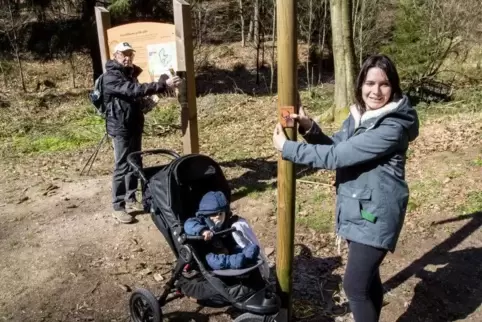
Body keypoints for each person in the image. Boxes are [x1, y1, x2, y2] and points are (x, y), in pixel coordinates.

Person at [272, 54, 419, 322]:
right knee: (367, 280)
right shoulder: (360, 116)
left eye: (384, 84)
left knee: (354, 287)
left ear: (394, 87)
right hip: (360, 209)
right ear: (361, 83)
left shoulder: (391, 127)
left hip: (377, 214)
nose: (376, 91)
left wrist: (288, 149)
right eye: (370, 83)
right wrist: (309, 128)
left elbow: (338, 157)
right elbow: (337, 146)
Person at [103, 42, 182, 224]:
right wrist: (162, 85)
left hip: (134, 124)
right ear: (115, 55)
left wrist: (146, 103)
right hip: (120, 128)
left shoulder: (130, 74)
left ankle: (131, 199)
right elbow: (132, 91)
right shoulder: (111, 77)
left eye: (130, 53)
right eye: (123, 54)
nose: (127, 57)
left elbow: (135, 96)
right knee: (122, 165)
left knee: (135, 162)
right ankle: (118, 206)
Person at [184, 191, 261, 270]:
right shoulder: (201, 220)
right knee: (214, 261)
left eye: (221, 214)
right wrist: (202, 231)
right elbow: (188, 225)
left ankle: (247, 256)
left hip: (227, 247)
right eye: (214, 214)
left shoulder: (226, 221)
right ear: (205, 214)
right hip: (209, 253)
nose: (218, 217)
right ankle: (235, 262)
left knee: (241, 249)